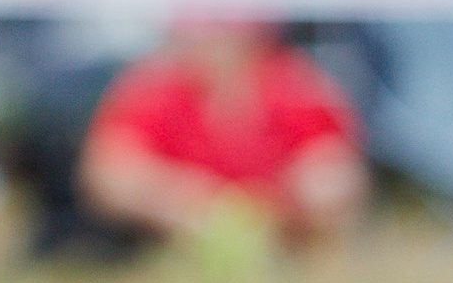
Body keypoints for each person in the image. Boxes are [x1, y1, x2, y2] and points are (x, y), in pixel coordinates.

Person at [77, 20, 367, 253]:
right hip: (159, 238)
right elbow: (109, 173)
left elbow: (335, 173)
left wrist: (271, 212)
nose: (219, 46)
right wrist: (187, 204)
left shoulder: (295, 85)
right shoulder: (153, 88)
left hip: (284, 236)